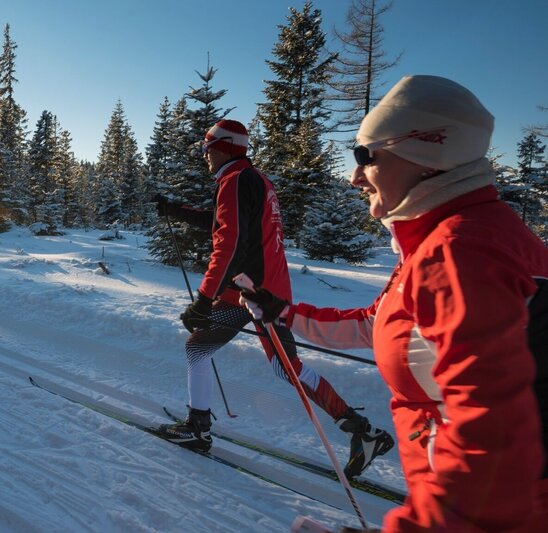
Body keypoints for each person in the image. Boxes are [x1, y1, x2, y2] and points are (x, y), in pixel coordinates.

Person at [240, 75, 548, 532]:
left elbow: (493, 444)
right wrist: (284, 313)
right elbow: (386, 327)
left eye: (365, 156)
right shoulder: (451, 239)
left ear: (426, 150)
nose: (354, 177)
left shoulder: (461, 253)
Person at [154, 119, 394, 479]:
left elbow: (229, 242)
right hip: (250, 291)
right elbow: (227, 225)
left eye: (207, 149)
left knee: (286, 367)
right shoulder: (251, 179)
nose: (205, 156)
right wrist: (177, 212)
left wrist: (204, 298)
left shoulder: (236, 180)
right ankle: (198, 426)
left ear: (221, 147)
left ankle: (363, 431)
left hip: (258, 295)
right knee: (198, 348)